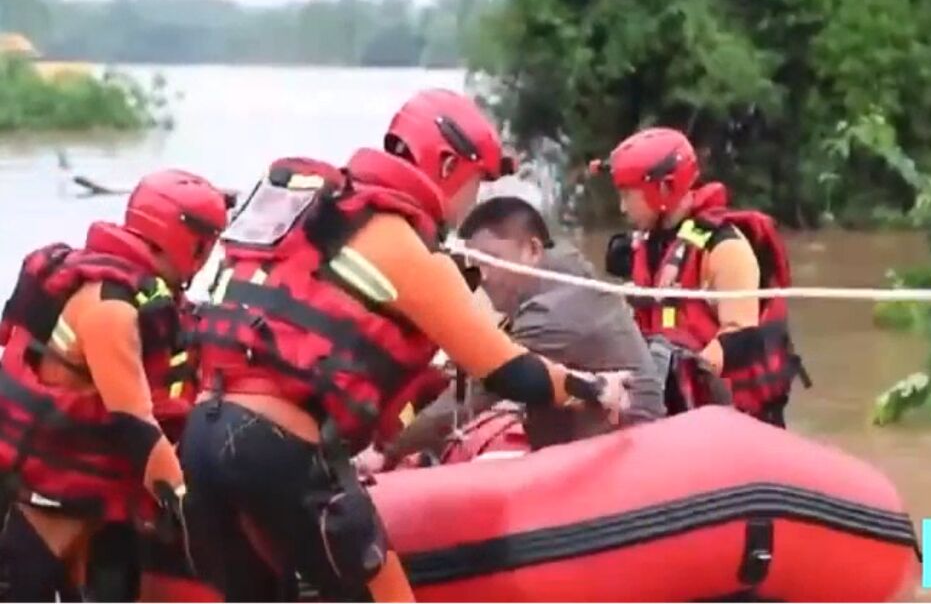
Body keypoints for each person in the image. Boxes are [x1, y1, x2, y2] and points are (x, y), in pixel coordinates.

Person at [179, 89, 632, 602]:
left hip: (201, 437)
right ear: (445, 165)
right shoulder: (402, 243)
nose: (471, 206)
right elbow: (510, 372)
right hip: (277, 450)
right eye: (476, 184)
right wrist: (594, 389)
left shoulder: (302, 217)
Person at [0, 169, 230, 601]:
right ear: (194, 244)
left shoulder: (85, 279)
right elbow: (135, 425)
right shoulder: (112, 309)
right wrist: (186, 505)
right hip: (44, 496)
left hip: (78, 492)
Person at [380, 195, 666, 463]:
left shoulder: (553, 313)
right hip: (601, 447)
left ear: (532, 249)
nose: (483, 276)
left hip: (626, 456)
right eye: (476, 264)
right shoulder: (563, 279)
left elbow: (474, 393)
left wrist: (386, 452)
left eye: (493, 259)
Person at [595, 127, 810, 428]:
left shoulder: (725, 247)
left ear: (665, 189)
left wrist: (689, 370)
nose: (621, 207)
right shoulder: (648, 245)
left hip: (726, 419)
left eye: (628, 196)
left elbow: (741, 335)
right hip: (666, 409)